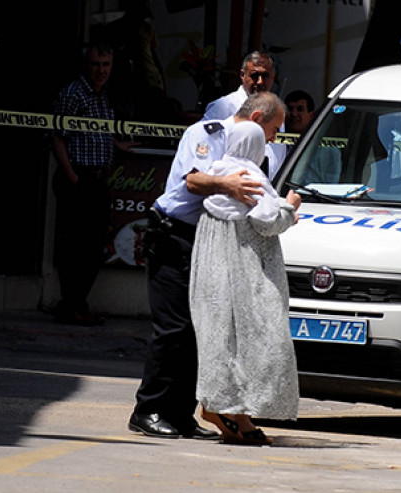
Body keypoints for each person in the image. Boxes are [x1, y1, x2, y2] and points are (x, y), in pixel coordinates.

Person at [127, 93, 286, 440]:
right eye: (274, 129)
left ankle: (181, 414)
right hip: (173, 235)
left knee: (202, 329)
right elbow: (193, 181)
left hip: (210, 243)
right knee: (173, 327)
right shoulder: (206, 133)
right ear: (257, 118)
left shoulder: (254, 148)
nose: (275, 137)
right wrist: (227, 184)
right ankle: (148, 410)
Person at [191, 113, 302, 446]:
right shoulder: (249, 176)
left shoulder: (218, 171)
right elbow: (268, 222)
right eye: (266, 138)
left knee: (222, 338)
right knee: (259, 336)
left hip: (213, 273)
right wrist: (290, 208)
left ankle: (232, 414)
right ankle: (225, 410)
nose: (269, 143)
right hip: (245, 271)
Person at [50, 42, 137, 326]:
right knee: (74, 246)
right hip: (78, 177)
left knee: (94, 245)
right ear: (85, 66)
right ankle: (71, 306)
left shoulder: (103, 96)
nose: (101, 71)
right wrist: (72, 177)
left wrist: (117, 144)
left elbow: (98, 130)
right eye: (95, 65)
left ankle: (77, 304)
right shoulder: (73, 94)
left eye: (106, 65)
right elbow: (57, 137)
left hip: (98, 179)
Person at [201, 51, 287, 179]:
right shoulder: (223, 107)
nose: (260, 81)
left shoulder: (276, 111)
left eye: (265, 76)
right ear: (242, 75)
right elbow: (204, 147)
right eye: (254, 75)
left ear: (273, 77)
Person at [104, 0, 173, 123]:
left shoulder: (147, 30)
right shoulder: (119, 28)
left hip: (150, 79)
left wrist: (162, 82)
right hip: (129, 81)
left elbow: (155, 57)